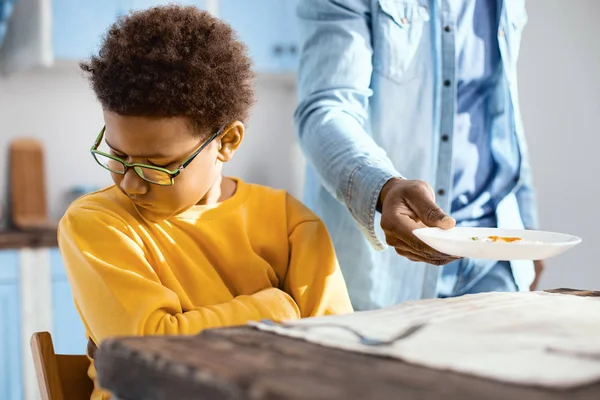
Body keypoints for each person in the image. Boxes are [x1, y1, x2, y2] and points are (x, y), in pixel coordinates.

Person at [57, 6, 352, 399]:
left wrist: (188, 331)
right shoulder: (97, 222)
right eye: (117, 156)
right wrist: (277, 310)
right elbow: (147, 359)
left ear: (227, 142)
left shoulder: (290, 223)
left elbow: (335, 358)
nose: (131, 184)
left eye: (157, 166)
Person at [294, 0, 543, 311]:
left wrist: (528, 225)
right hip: (386, 268)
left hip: (495, 262)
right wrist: (383, 187)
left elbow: (502, 109)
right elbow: (326, 109)